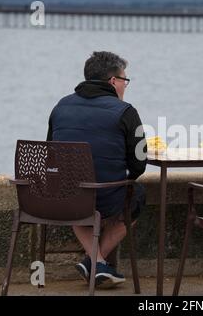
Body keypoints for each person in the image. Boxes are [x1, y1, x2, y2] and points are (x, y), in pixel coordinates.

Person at [47, 51, 147, 288]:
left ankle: (94, 261)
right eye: (125, 80)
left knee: (75, 191)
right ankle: (97, 261)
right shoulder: (127, 112)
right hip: (105, 197)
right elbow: (139, 165)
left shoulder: (60, 106)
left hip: (64, 197)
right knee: (138, 195)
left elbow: (52, 153)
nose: (126, 85)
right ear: (113, 81)